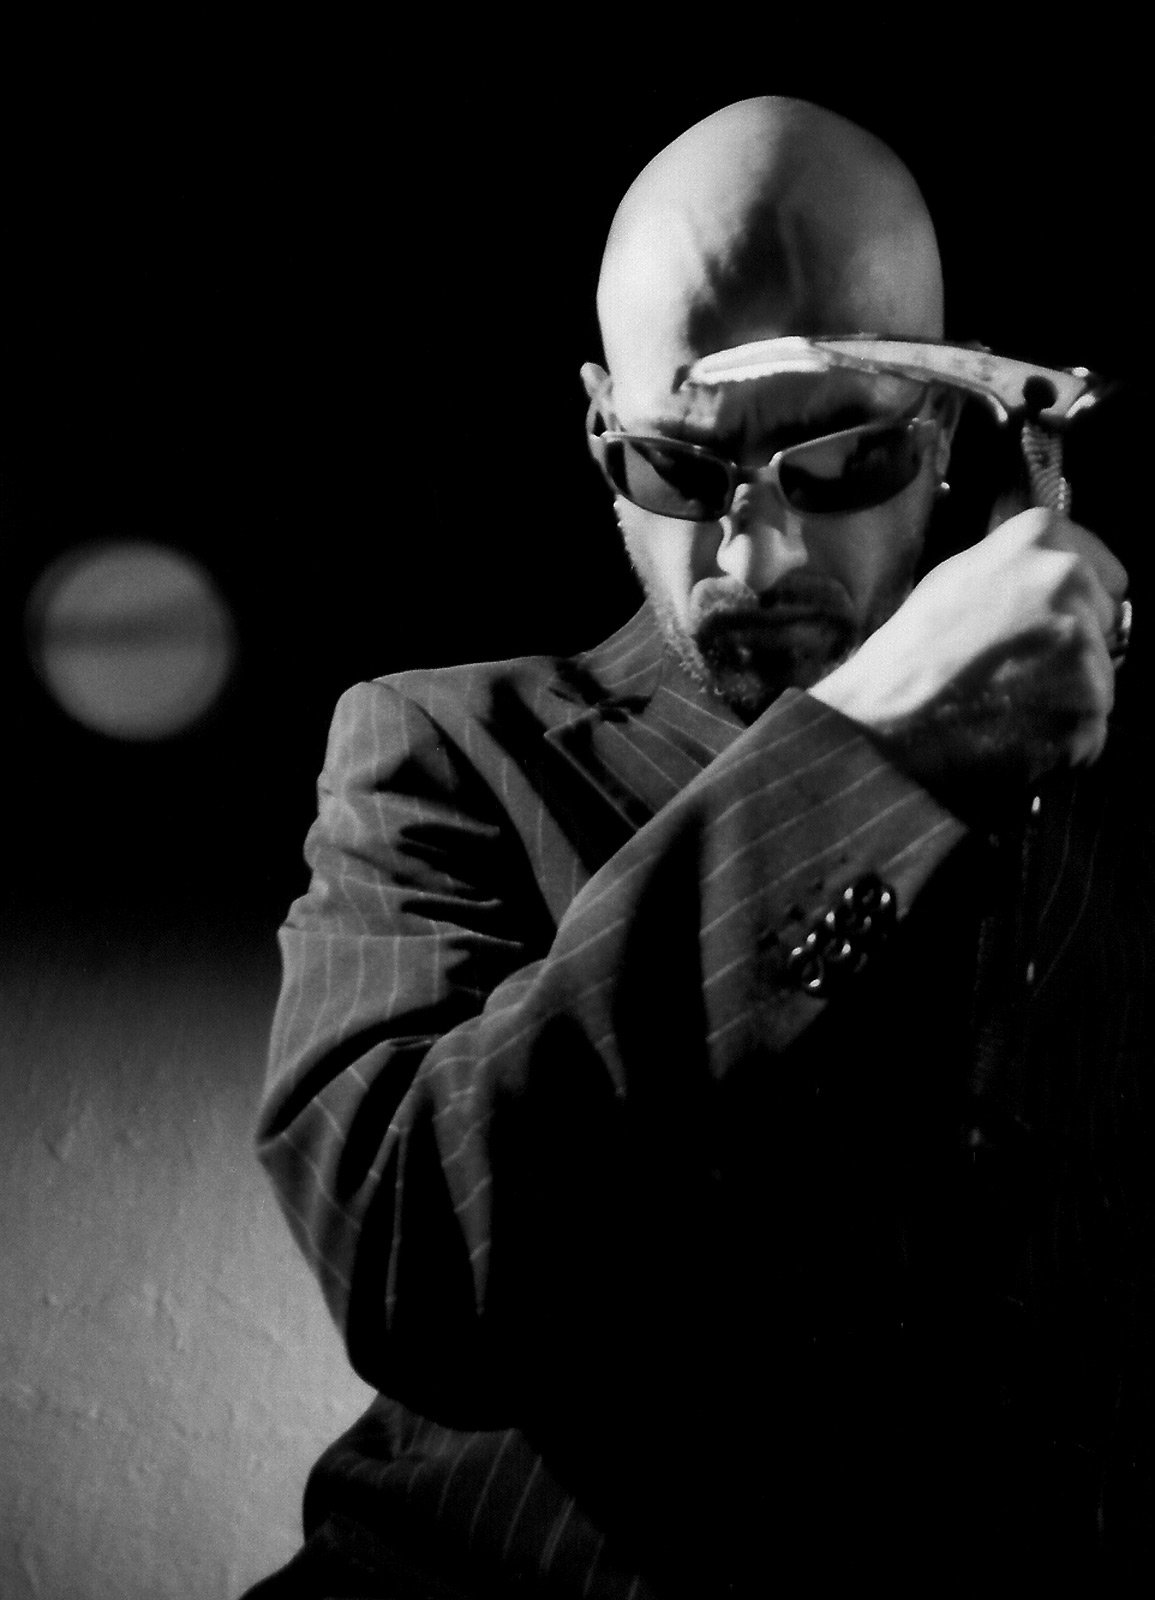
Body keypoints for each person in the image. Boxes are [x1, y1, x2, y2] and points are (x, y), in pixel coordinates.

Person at [246, 97, 1153, 1597]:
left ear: (945, 434)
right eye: (674, 468)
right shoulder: (445, 751)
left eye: (840, 460)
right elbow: (413, 1261)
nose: (751, 553)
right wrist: (870, 756)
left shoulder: (1122, 800)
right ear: (601, 426)